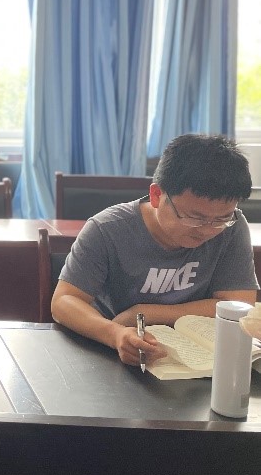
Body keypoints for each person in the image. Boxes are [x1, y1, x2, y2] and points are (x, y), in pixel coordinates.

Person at [51, 133, 257, 367]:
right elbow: (64, 300)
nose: (207, 230)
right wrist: (115, 334)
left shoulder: (233, 227)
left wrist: (146, 312)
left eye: (221, 219)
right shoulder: (108, 229)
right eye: (194, 217)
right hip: (111, 354)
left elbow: (238, 305)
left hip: (193, 357)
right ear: (157, 195)